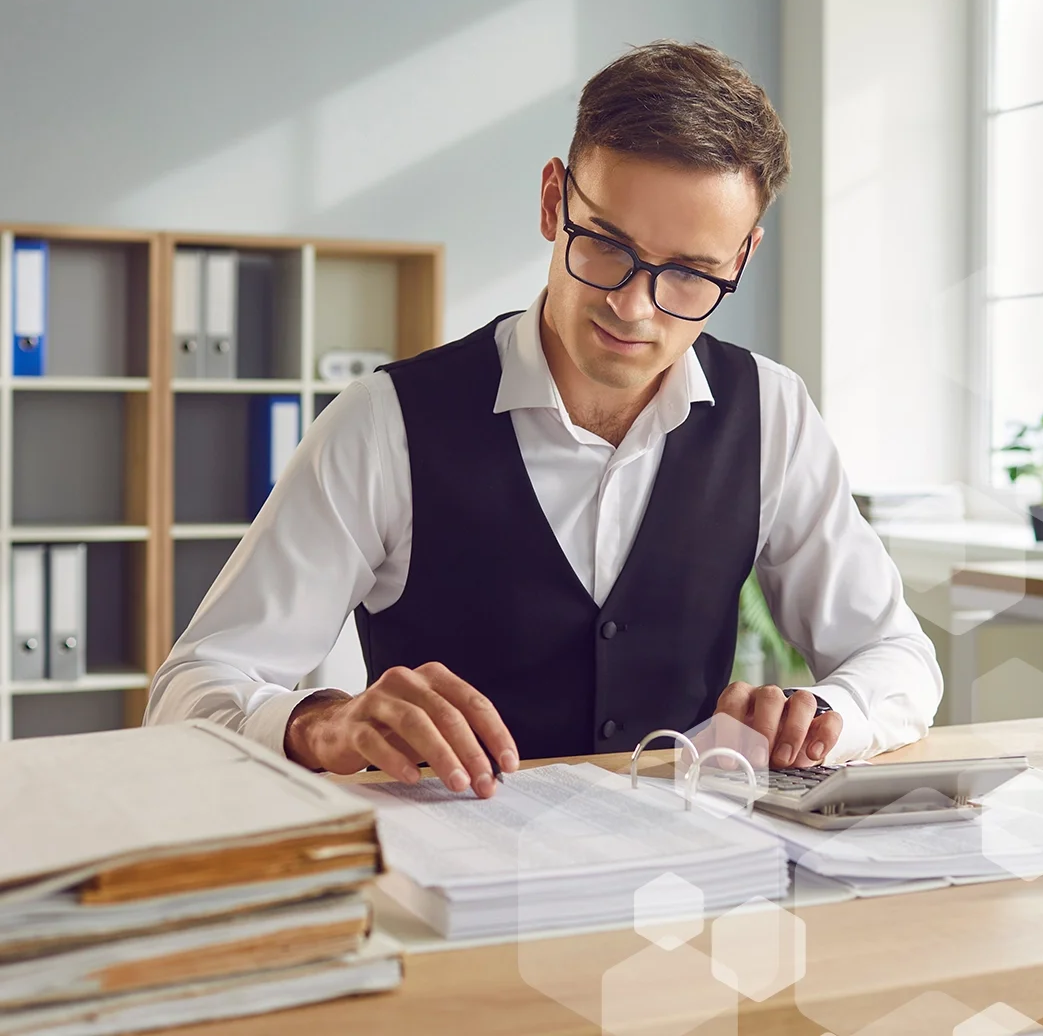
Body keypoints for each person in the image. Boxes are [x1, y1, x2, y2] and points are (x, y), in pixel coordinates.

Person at [146, 41, 942, 799]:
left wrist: (830, 719)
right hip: (452, 892)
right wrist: (319, 724)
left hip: (690, 886)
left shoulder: (770, 412)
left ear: (740, 258)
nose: (633, 308)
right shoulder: (386, 422)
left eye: (692, 276)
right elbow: (187, 694)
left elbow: (896, 656)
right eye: (605, 245)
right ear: (553, 199)